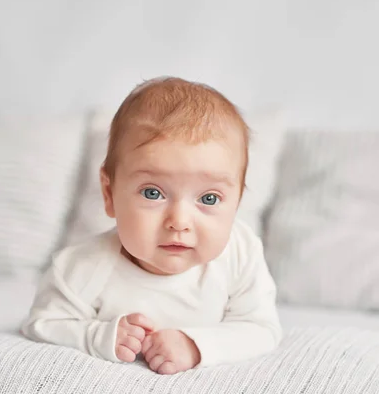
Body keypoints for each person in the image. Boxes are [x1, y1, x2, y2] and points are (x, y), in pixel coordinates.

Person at [21, 76, 282, 375]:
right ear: (109, 194)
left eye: (209, 198)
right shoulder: (81, 267)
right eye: (152, 193)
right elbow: (43, 324)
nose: (179, 222)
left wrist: (195, 345)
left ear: (236, 202)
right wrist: (99, 335)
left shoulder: (241, 254)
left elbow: (261, 328)